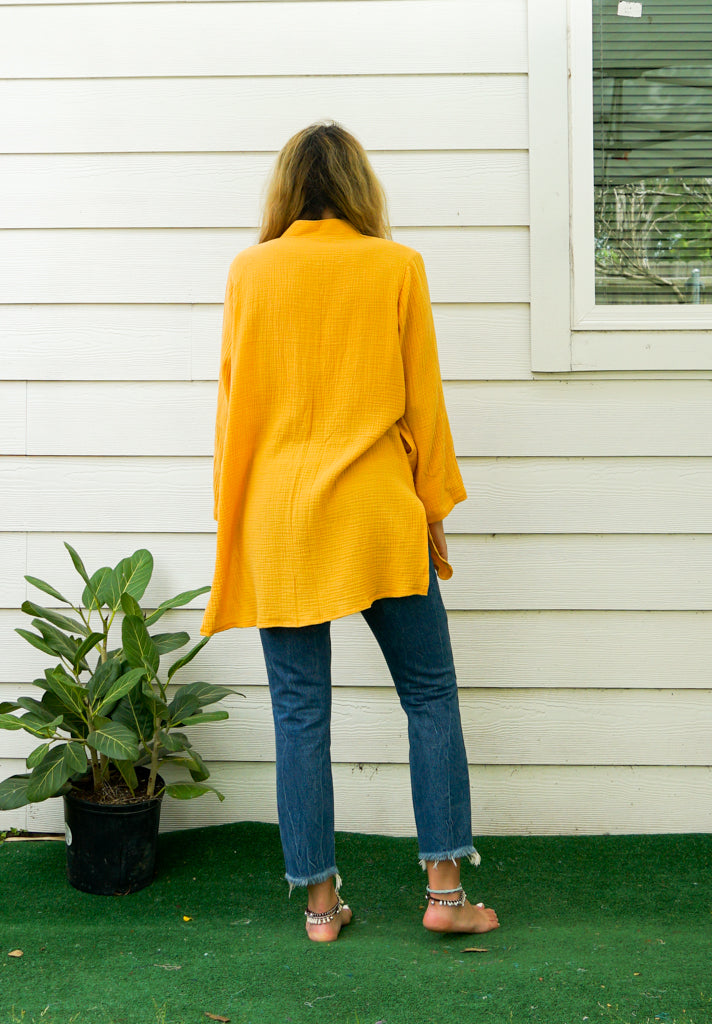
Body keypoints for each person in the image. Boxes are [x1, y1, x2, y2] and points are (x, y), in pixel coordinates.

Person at [200, 121, 499, 943]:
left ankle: (321, 906)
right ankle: (444, 896)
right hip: (376, 513)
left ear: (286, 189)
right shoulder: (397, 266)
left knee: (301, 713)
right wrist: (433, 512)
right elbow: (423, 403)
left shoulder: (250, 272)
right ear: (363, 189)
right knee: (430, 697)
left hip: (282, 519)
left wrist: (231, 519)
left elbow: (233, 411)